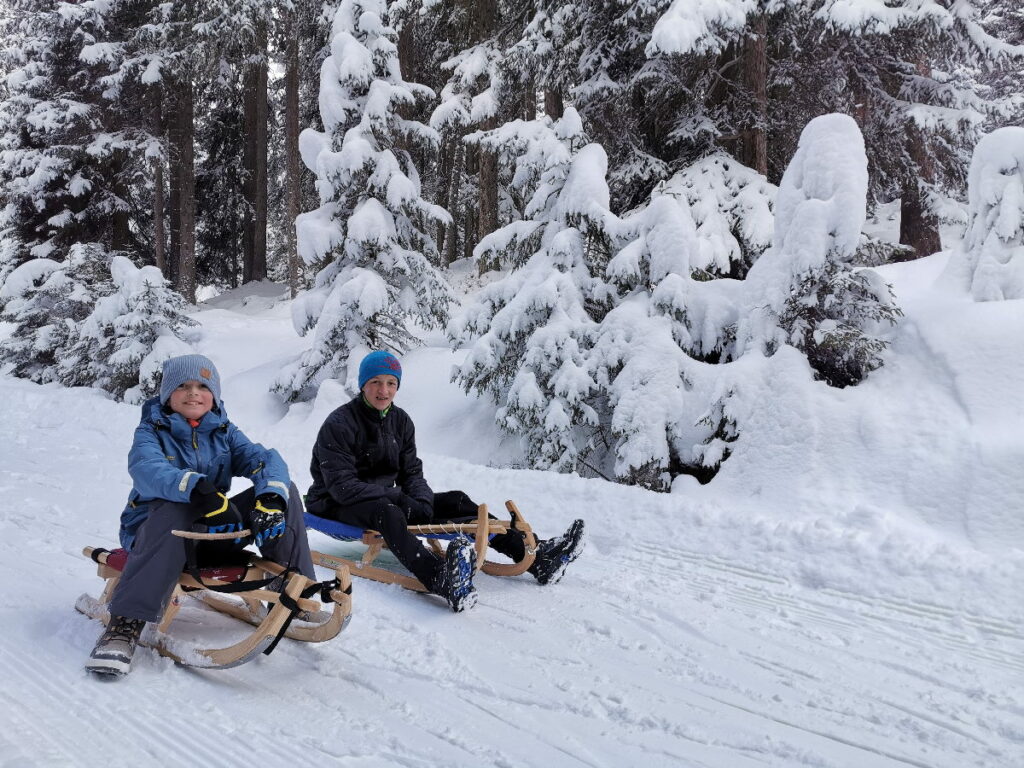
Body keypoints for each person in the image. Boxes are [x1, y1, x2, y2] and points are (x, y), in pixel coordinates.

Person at [85, 354, 316, 677]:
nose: (194, 393)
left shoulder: (223, 430)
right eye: (183, 386)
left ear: (214, 394)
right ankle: (124, 626)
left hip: (214, 534)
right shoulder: (151, 431)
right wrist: (200, 490)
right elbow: (148, 470)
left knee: (284, 490)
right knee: (176, 505)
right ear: (167, 395)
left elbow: (263, 459)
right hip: (158, 537)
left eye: (202, 386)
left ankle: (296, 590)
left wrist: (269, 500)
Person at [305, 350, 585, 613]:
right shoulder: (340, 424)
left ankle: (536, 556)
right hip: (334, 502)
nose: (384, 390)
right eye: (376, 382)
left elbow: (411, 472)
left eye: (391, 383)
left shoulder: (400, 421)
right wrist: (401, 499)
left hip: (383, 498)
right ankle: (440, 578)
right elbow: (342, 486)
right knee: (387, 512)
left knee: (456, 500)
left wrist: (422, 501)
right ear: (364, 385)